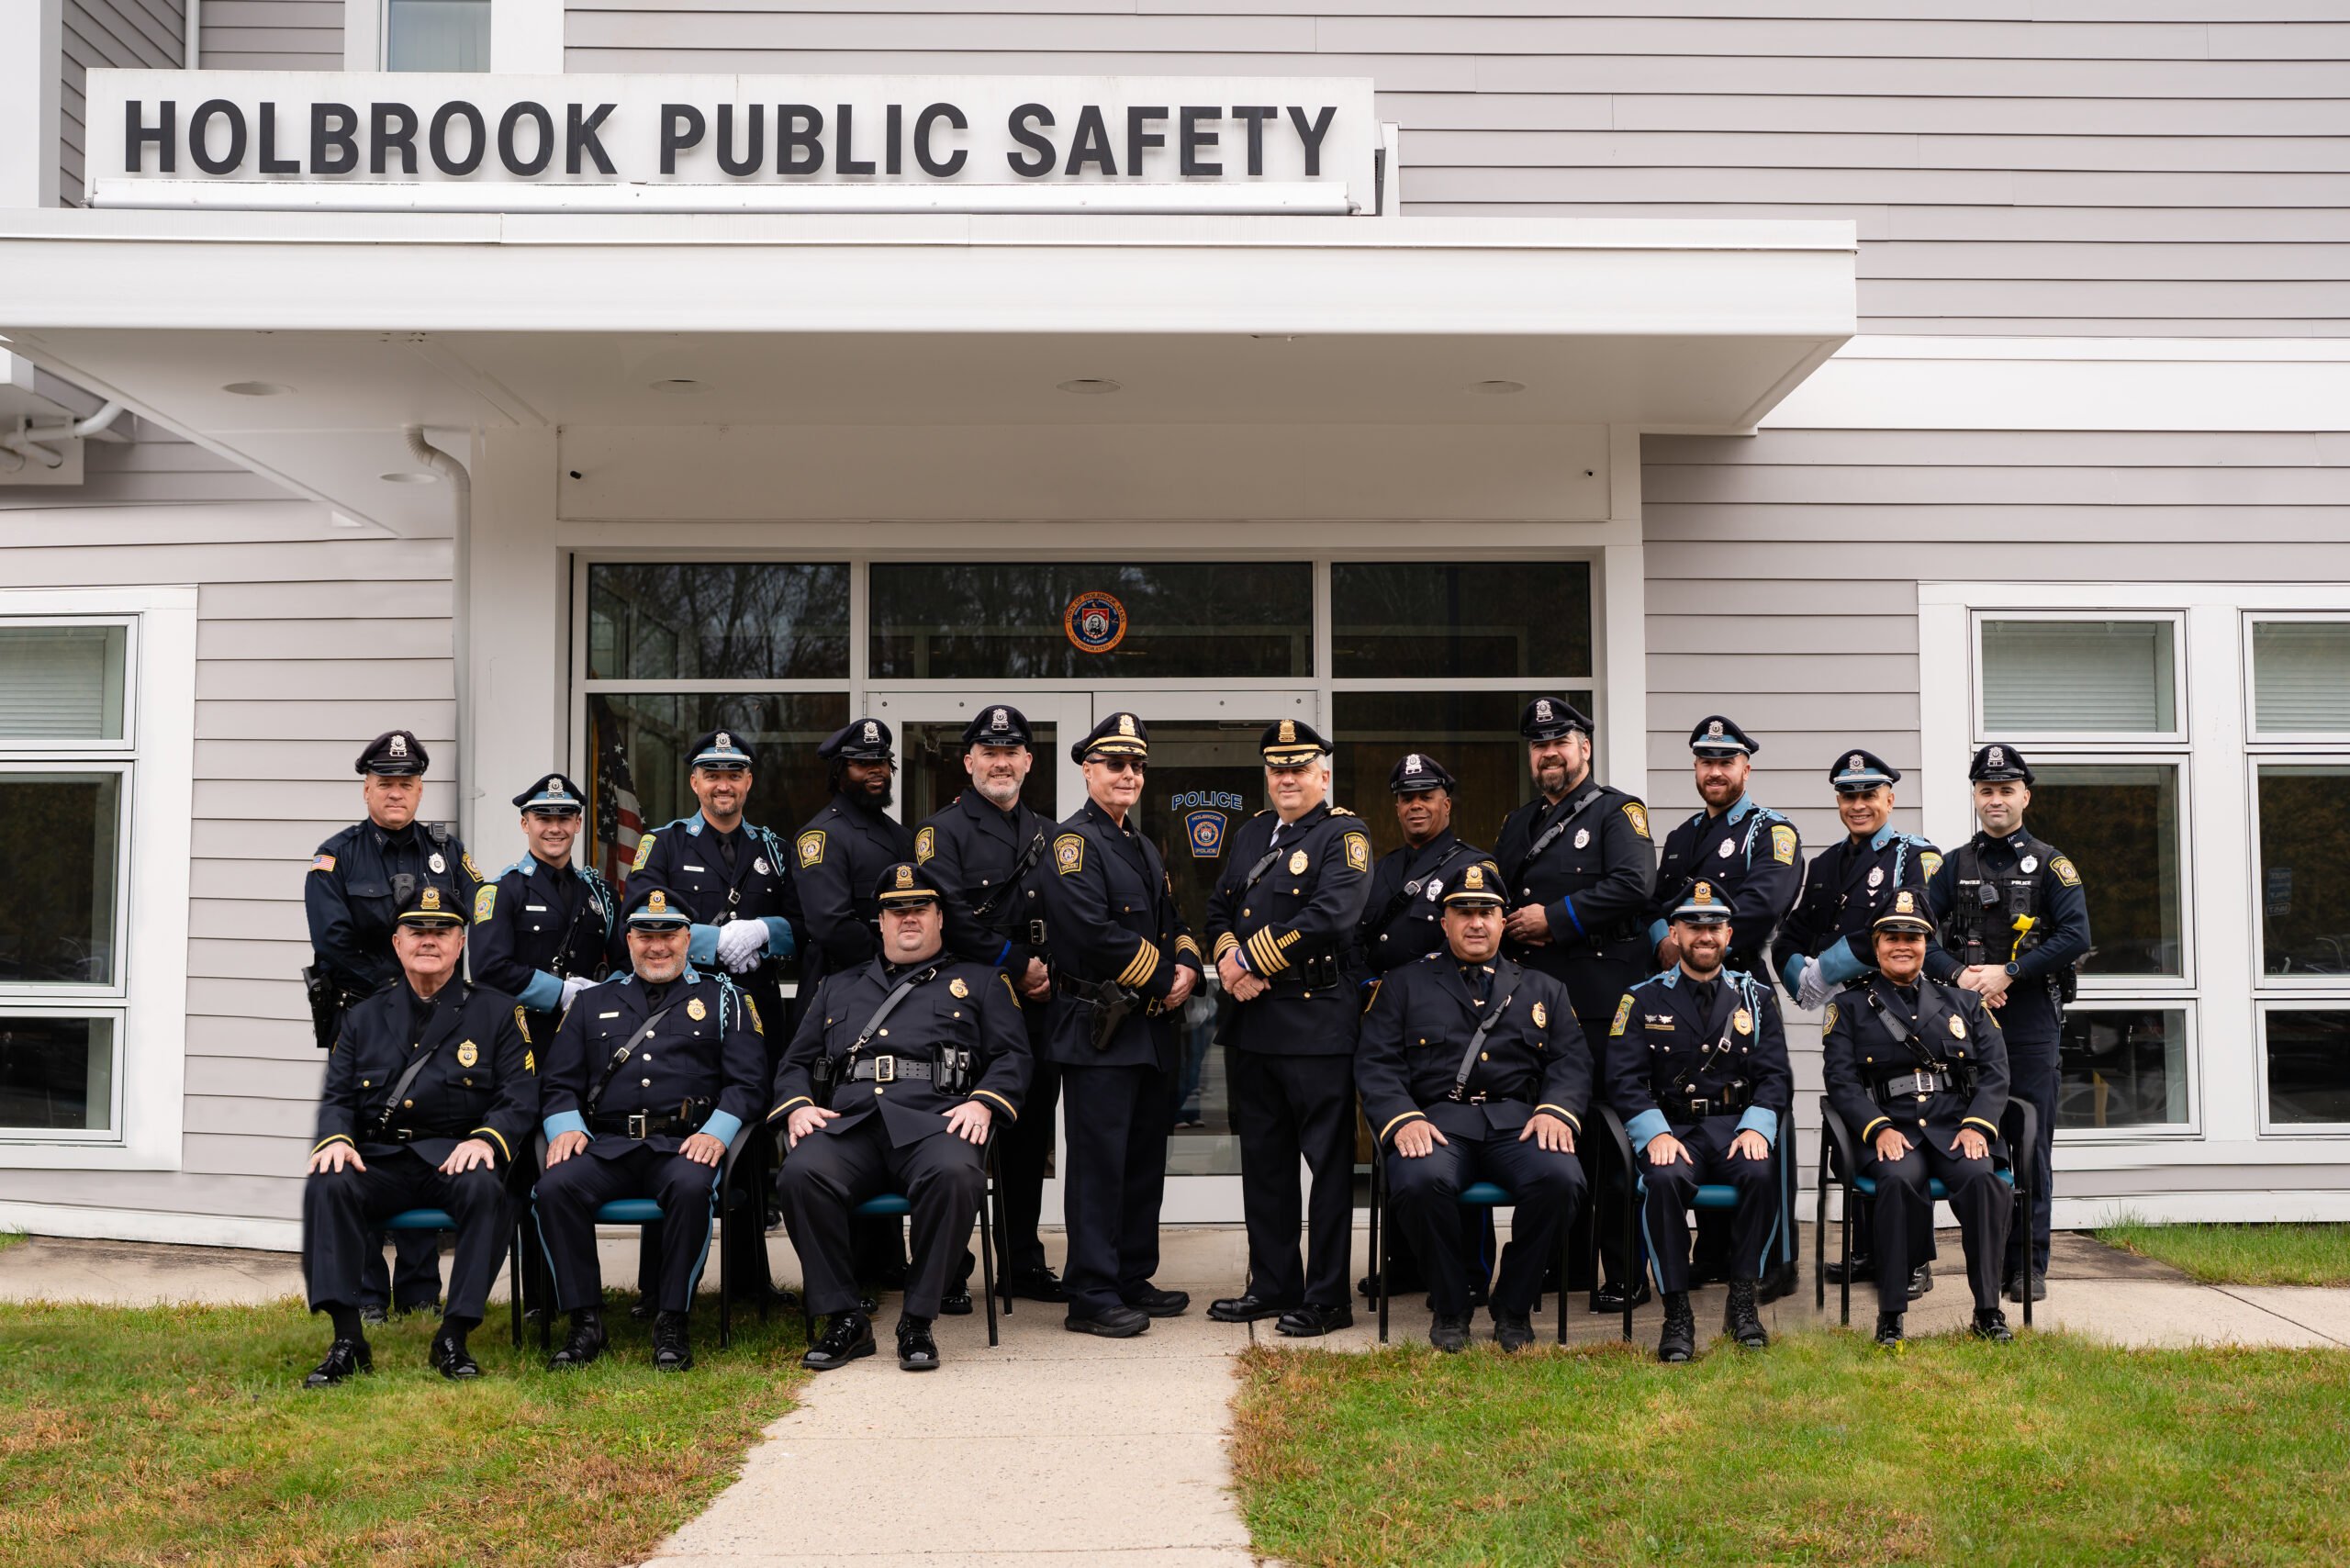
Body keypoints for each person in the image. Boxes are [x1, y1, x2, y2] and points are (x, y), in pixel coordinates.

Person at [773, 863, 1032, 1372]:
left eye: (919, 908)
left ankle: (917, 1320)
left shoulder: (981, 981)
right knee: (800, 1174)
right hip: (851, 1126)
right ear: (881, 921)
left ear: (940, 917)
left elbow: (1014, 1056)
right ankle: (845, 1319)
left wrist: (984, 1101)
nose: (908, 917)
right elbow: (794, 1063)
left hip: (937, 1123)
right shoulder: (837, 987)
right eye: (896, 910)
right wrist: (798, 1105)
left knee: (957, 1176)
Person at [300, 885, 534, 1386]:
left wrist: (486, 1140)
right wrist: (336, 1139)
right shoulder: (362, 1017)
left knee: (489, 1188)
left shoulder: (497, 1012)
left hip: (453, 1157)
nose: (429, 939)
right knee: (328, 1182)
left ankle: (453, 1335)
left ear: (461, 942)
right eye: (417, 930)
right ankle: (347, 1340)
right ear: (397, 942)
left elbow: (519, 1095)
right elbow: (338, 1097)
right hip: (382, 1160)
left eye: (442, 930)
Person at [1356, 859, 1590, 1352]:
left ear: (1504, 921)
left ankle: (1514, 1304)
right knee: (1418, 1181)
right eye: (1464, 912)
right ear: (1444, 922)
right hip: (1437, 1125)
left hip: (1518, 1126)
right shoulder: (1402, 985)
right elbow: (1376, 1063)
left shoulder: (1544, 989)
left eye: (1487, 912)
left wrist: (1555, 1110)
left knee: (1562, 1180)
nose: (1476, 923)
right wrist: (1402, 1120)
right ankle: (1451, 1305)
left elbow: (1572, 1061)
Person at [535, 881, 766, 1372]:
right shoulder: (590, 1003)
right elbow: (557, 1082)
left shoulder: (725, 1000)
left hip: (683, 1146)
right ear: (628, 940)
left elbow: (748, 1084)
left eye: (669, 934)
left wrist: (716, 1132)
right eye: (645, 935)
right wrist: (566, 1126)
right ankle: (585, 1322)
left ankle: (672, 1321)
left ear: (688, 938)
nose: (657, 946)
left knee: (690, 1188)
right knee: (554, 1188)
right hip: (607, 1146)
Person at [304, 727, 481, 1321]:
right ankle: (367, 1293)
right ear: (367, 789)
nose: (396, 792)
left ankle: (420, 1289)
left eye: (406, 783)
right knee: (359, 1146)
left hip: (439, 1020)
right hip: (363, 1020)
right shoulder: (337, 856)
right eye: (385, 783)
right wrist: (398, 987)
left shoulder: (447, 853)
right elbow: (332, 941)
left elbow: (473, 921)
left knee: (425, 1136)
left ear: (420, 789)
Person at [1035, 711, 1203, 1338]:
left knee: (1141, 1164)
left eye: (1136, 765)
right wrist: (1165, 977)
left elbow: (1173, 917)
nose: (1128, 774)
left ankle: (1131, 1275)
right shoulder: (1073, 843)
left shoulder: (1141, 844)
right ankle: (1091, 1292)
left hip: (1149, 1031)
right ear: (1088, 770)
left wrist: (1189, 965)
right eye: (1114, 764)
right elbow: (1090, 931)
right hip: (1098, 1029)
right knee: (1098, 1168)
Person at [1204, 721, 1371, 1338]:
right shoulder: (1253, 833)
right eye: (1277, 769)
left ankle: (1327, 1298)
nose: (1287, 779)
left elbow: (1333, 914)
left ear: (1323, 775)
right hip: (1254, 1025)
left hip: (1316, 1023)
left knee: (1327, 1169)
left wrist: (1251, 960)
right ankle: (1273, 1284)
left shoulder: (1344, 835)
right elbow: (1219, 907)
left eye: (1299, 768)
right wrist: (1229, 959)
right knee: (1265, 1166)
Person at [1494, 696, 1657, 1312]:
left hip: (1601, 1004)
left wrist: (1555, 918)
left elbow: (1634, 885)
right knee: (1551, 1137)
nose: (1549, 754)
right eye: (1539, 746)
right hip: (1535, 1008)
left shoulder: (1618, 812)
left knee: (1611, 1144)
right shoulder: (1517, 824)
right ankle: (1560, 1266)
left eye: (1559, 743)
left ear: (1584, 748)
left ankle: (1625, 1273)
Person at [629, 728, 801, 1302]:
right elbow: (636, 910)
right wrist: (710, 941)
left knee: (749, 1135)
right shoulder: (664, 844)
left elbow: (804, 922)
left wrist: (765, 931)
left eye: (733, 774)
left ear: (748, 782)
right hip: (683, 1009)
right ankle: (659, 1288)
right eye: (712, 775)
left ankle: (750, 1282)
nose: (723, 785)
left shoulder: (773, 848)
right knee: (673, 1134)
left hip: (755, 1012)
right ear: (695, 782)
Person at [1771, 747, 1940, 1299]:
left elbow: (1909, 925)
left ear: (1890, 798)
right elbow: (1791, 934)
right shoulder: (1825, 866)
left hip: (1900, 1012)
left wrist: (1829, 964)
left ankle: (1913, 1258)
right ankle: (1868, 1248)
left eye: (1869, 794)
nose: (1858, 804)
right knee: (1859, 1119)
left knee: (1907, 1126)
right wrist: (1803, 977)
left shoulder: (1914, 856)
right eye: (1848, 795)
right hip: (1847, 1013)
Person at [1924, 744, 2089, 1306]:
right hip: (1965, 1020)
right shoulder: (1953, 866)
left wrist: (2009, 973)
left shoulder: (2051, 864)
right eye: (1986, 790)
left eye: (2006, 790)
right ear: (1975, 796)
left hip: (2030, 1019)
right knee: (1973, 1137)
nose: (1996, 799)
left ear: (2025, 797)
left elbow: (2075, 936)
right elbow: (1914, 931)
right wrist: (1961, 975)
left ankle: (2028, 1264)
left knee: (2030, 1141)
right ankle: (1988, 1263)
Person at [913, 704, 1063, 1305]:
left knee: (1028, 1139)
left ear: (1028, 762)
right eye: (989, 753)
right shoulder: (940, 832)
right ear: (969, 761)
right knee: (956, 1136)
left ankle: (1021, 1262)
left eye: (1011, 753)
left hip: (1038, 1008)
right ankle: (947, 1269)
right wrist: (1016, 963)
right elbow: (945, 912)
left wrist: (1050, 971)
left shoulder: (1050, 833)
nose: (1001, 763)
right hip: (966, 1009)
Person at [1646, 714, 1801, 1289]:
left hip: (1741, 988)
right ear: (1695, 767)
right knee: (1700, 1109)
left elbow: (1762, 906)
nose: (1715, 771)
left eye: (1726, 761)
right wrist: (1664, 945)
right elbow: (1655, 905)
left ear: (1745, 768)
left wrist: (1695, 944)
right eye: (1706, 762)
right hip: (1680, 990)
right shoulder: (1682, 836)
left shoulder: (1771, 831)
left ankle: (1775, 1260)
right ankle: (1712, 1252)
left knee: (1760, 1115)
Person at [1822, 890, 2016, 1346]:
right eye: (1891, 937)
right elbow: (1841, 1082)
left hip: (1955, 1128)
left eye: (1912, 937)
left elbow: (1996, 1071)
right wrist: (1878, 1128)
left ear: (1927, 944)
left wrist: (1978, 1124)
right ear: (1876, 946)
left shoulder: (1964, 1003)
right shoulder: (1848, 1007)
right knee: (1897, 1181)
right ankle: (1891, 1314)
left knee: (1983, 1181)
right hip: (1892, 1129)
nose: (1902, 946)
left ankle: (1988, 1310)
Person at [1608, 881, 1791, 1363]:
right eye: (1693, 926)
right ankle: (1677, 1314)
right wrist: (1654, 1134)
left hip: (1734, 1129)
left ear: (1729, 934)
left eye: (1714, 926)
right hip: (1674, 1131)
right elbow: (1623, 1079)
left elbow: (1775, 1075)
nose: (1704, 935)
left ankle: (1743, 1303)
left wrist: (1757, 1127)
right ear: (1674, 933)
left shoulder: (1755, 998)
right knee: (1663, 1180)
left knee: (1761, 1173)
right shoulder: (1641, 1000)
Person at [1351, 751, 1489, 1303]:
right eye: (1406, 798)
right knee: (1399, 1143)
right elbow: (1357, 942)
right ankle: (1405, 1263)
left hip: (1448, 1029)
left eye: (1426, 797)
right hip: (1388, 1023)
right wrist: (1366, 988)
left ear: (1446, 804)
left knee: (1458, 1142)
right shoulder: (1383, 869)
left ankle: (1470, 1270)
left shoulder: (1471, 866)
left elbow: (1478, 950)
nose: (1415, 806)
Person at [795, 715, 921, 1293]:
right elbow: (829, 923)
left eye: (883, 763)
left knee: (889, 1118)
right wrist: (897, 960)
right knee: (845, 1130)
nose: (876, 772)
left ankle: (887, 1260)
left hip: (897, 995)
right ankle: (849, 1273)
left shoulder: (897, 835)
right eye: (864, 763)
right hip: (844, 993)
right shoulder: (821, 835)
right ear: (839, 770)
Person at [470, 772, 619, 1048]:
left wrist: (605, 995)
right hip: (523, 1041)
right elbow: (489, 969)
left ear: (578, 823)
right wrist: (560, 992)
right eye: (544, 819)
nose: (555, 828)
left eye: (564, 819)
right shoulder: (501, 891)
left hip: (590, 1039)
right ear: (525, 824)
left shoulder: (601, 894)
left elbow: (627, 964)